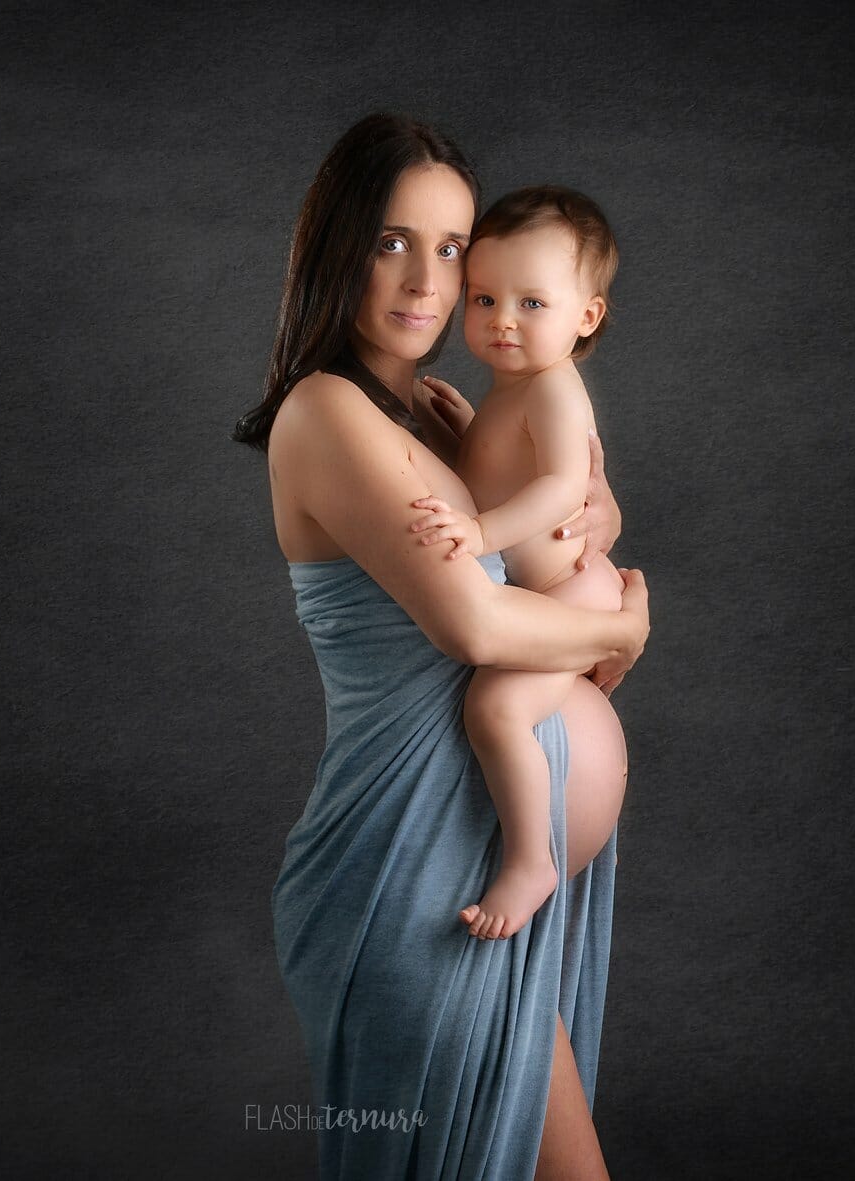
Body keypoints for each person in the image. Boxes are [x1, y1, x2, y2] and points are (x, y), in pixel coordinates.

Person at [233, 113, 649, 1179]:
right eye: (391, 241)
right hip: (409, 878)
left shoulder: (425, 411)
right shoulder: (328, 411)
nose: (427, 279)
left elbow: (565, 512)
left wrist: (588, 517)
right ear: (338, 247)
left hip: (475, 882)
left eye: (453, 247)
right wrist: (618, 625)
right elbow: (472, 622)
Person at [410, 185, 625, 943]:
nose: (503, 319)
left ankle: (531, 860)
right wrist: (467, 434)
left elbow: (563, 486)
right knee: (496, 706)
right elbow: (507, 469)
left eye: (532, 303)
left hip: (574, 592)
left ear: (585, 316)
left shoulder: (554, 390)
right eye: (484, 298)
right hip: (553, 592)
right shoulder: (511, 391)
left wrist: (478, 531)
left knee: (496, 710)